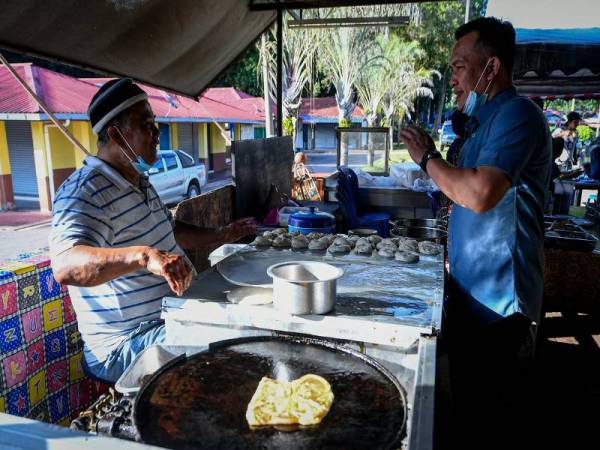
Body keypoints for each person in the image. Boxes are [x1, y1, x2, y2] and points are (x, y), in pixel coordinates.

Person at [400, 17, 551, 447]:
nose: (452, 77)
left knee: (487, 417)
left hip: (502, 302)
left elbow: (480, 193)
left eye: (461, 66)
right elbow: (457, 187)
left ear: (492, 68)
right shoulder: (483, 123)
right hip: (471, 293)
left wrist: (427, 156)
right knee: (465, 405)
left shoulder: (519, 115)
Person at [49, 78, 255, 383]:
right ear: (116, 134)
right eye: (146, 124)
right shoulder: (84, 192)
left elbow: (170, 231)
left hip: (169, 314)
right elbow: (65, 266)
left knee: (248, 317)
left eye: (155, 122)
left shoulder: (138, 180)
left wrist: (220, 234)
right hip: (125, 346)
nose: (156, 132)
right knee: (235, 344)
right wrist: (144, 257)